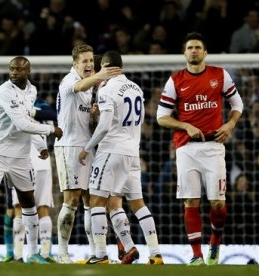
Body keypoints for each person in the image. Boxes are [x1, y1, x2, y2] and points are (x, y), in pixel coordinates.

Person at [156, 32, 243, 265]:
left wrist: (230, 123)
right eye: (190, 48)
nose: (193, 51)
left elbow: (238, 104)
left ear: (205, 52)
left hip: (214, 147)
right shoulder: (175, 80)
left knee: (218, 203)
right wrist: (185, 125)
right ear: (184, 53)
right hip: (186, 149)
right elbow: (161, 117)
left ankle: (215, 241)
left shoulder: (219, 75)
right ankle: (196, 255)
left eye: (197, 47)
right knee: (190, 201)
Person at [0, 56, 63, 264]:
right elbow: (21, 123)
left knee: (29, 202)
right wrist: (51, 130)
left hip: (21, 154)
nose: (14, 72)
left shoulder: (32, 91)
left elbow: (28, 121)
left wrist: (40, 145)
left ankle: (33, 254)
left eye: (19, 69)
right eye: (11, 69)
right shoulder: (4, 91)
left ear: (28, 71)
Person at [79, 50, 163, 265]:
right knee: (137, 204)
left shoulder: (107, 87)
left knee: (97, 200)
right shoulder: (135, 87)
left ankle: (99, 255)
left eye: (100, 68)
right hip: (133, 152)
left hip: (111, 150)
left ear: (106, 66)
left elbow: (106, 126)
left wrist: (88, 147)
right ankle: (155, 254)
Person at [53, 44, 121, 263]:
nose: (90, 64)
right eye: (85, 61)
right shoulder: (69, 81)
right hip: (69, 146)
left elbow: (88, 123)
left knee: (91, 200)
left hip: (87, 146)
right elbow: (80, 86)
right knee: (71, 199)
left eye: (92, 60)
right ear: (75, 64)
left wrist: (95, 116)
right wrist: (101, 76)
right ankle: (62, 252)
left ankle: (96, 252)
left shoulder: (91, 88)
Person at [5, 96, 58, 263]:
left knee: (19, 208)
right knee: (43, 209)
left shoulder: (12, 106)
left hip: (21, 160)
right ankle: (44, 253)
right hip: (42, 162)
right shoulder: (42, 107)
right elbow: (55, 114)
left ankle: (19, 255)